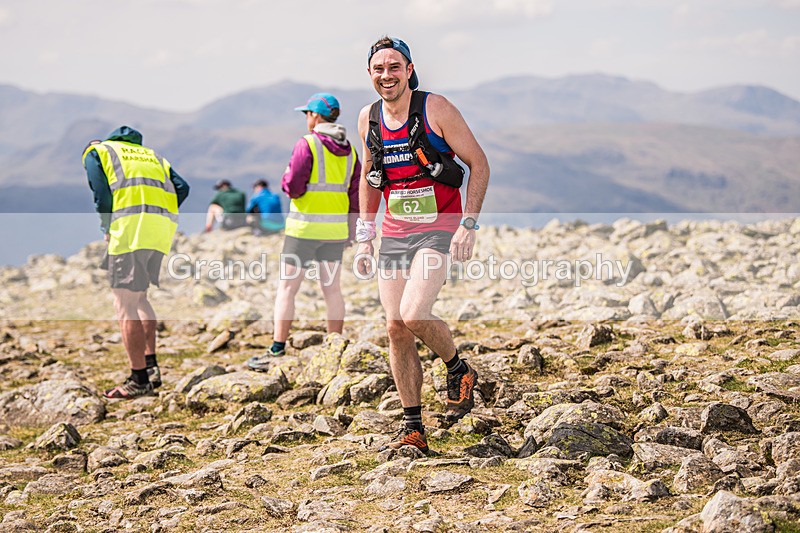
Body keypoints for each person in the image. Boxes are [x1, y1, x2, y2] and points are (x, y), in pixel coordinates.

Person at [355, 37, 490, 453]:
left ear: (409, 70)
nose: (387, 76)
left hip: (440, 225)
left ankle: (457, 368)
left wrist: (469, 224)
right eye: (379, 69)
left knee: (414, 314)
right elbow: (368, 175)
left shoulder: (436, 109)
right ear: (370, 75)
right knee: (395, 327)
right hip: (395, 230)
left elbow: (479, 164)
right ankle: (413, 429)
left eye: (395, 67)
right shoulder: (368, 118)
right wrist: (365, 235)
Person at [247, 93, 360, 370]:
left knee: (287, 289)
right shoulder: (352, 152)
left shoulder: (307, 144)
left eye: (307, 114)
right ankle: (335, 346)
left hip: (303, 230)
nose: (306, 119)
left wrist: (286, 182)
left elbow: (294, 185)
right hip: (334, 232)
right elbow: (356, 197)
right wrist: (351, 231)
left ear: (316, 116)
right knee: (332, 289)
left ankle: (277, 350)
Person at [82, 125, 190, 399]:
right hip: (159, 231)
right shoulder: (153, 157)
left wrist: (107, 226)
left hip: (129, 231)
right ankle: (151, 366)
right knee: (140, 297)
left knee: (124, 303)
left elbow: (101, 195)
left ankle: (139, 379)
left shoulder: (98, 152)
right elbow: (182, 187)